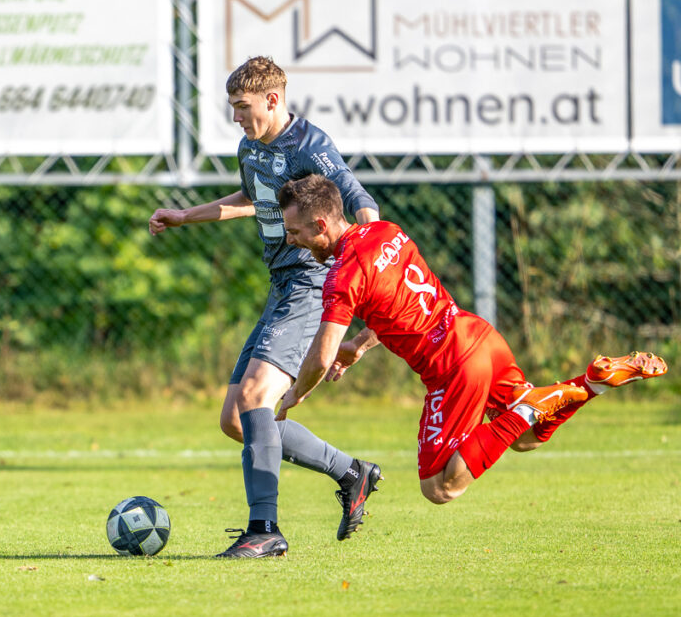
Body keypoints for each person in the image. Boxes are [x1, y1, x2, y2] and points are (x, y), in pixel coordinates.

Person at [275, 174, 667, 504]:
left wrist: (295, 394)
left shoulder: (343, 275)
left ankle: (532, 405)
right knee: (527, 438)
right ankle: (591, 384)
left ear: (321, 226)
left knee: (439, 487)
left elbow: (322, 356)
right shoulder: (387, 231)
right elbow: (398, 304)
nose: (291, 241)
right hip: (479, 336)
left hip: (452, 365)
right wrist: (359, 345)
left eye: (294, 232)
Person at [148, 57, 382, 558]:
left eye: (242, 106)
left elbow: (359, 199)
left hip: (311, 281)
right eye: (232, 107)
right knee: (237, 420)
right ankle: (350, 472)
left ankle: (265, 530)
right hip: (281, 285)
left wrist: (371, 256)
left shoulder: (311, 146)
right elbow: (253, 198)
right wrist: (185, 216)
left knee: (256, 395)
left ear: (272, 100)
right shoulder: (250, 147)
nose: (235, 117)